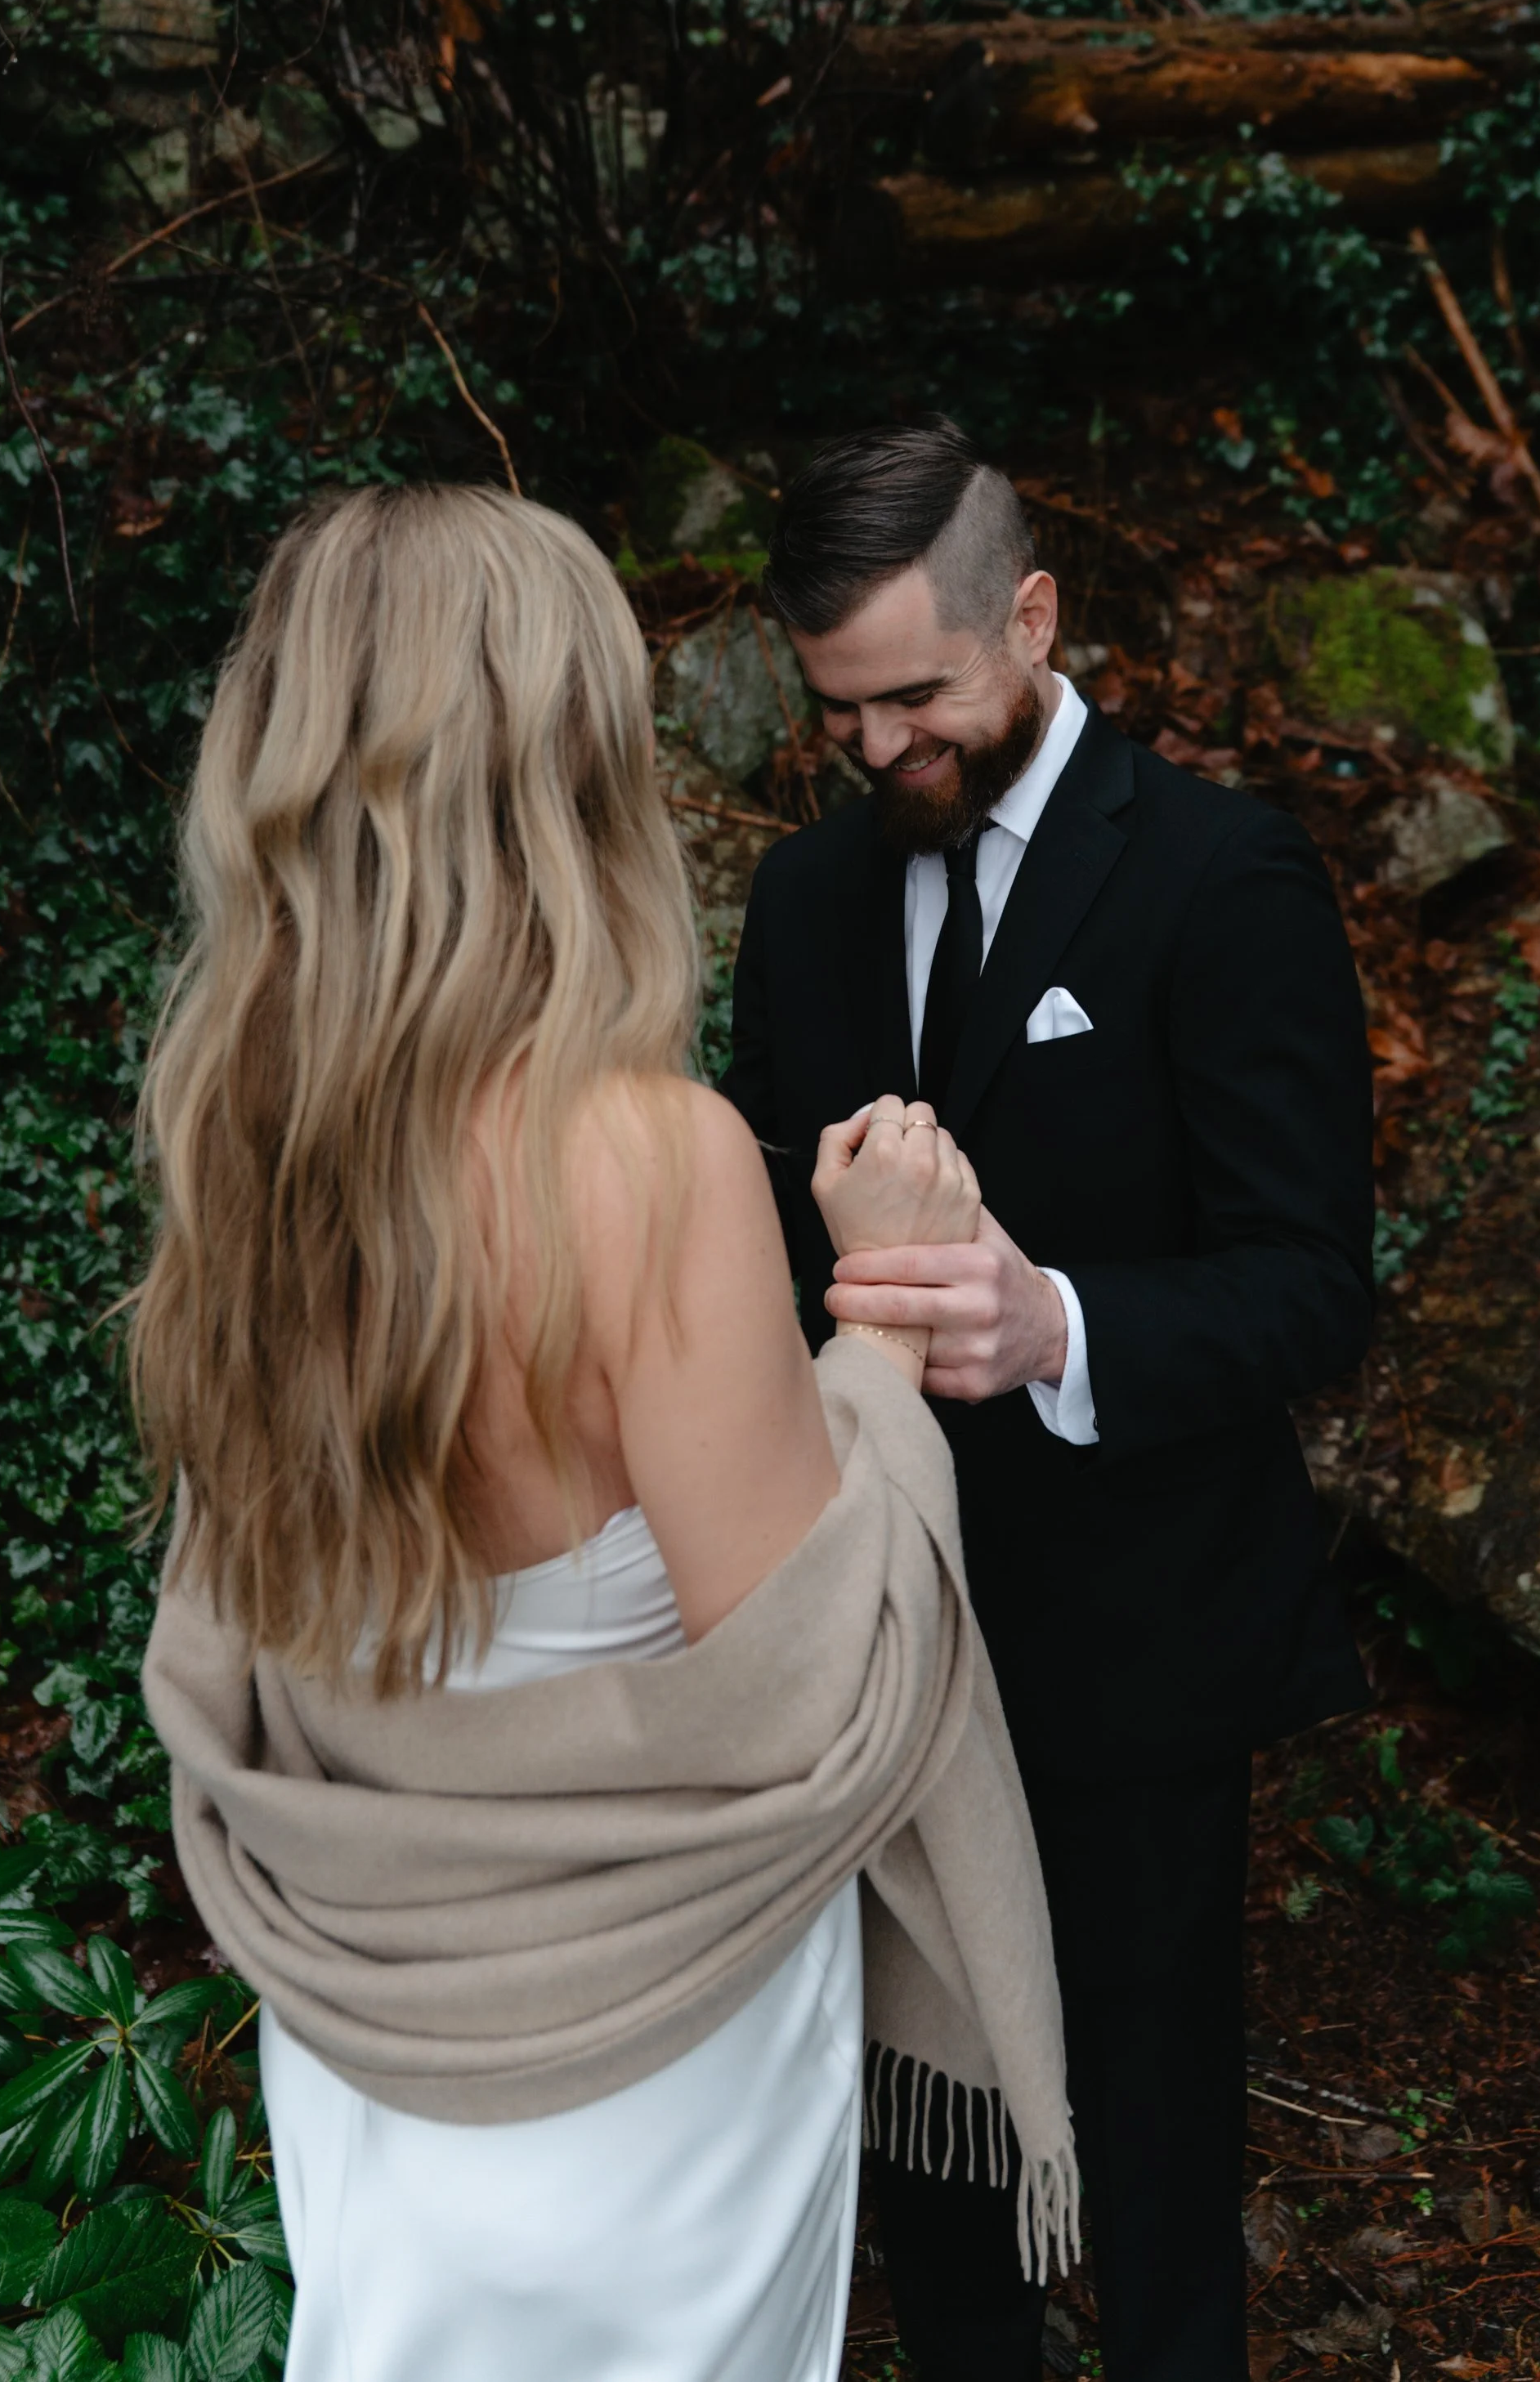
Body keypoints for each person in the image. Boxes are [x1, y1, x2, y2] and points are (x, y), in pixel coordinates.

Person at [132, 481, 1077, 2382]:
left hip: (377, 2046)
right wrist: (880, 1312)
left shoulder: (233, 1152)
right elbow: (815, 1684)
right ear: (568, 765)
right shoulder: (643, 1159)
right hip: (653, 2071)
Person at [721, 420, 1377, 2382]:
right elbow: (758, 1245)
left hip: (1141, 1641)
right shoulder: (801, 903)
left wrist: (1057, 1326)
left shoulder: (1222, 876)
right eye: (839, 711)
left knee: (1154, 2143)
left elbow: (1308, 1289)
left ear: (1033, 616)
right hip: (881, 1644)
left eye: (916, 696)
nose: (875, 749)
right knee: (926, 2142)